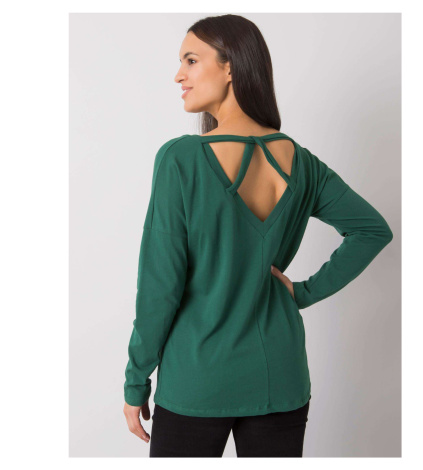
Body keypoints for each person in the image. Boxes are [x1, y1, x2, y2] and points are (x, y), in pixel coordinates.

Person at [123, 14, 394, 458]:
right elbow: (371, 230)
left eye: (191, 60)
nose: (179, 75)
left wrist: (136, 380)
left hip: (198, 379)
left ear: (230, 66)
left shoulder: (181, 158)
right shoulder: (301, 162)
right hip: (280, 378)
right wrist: (302, 293)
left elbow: (159, 287)